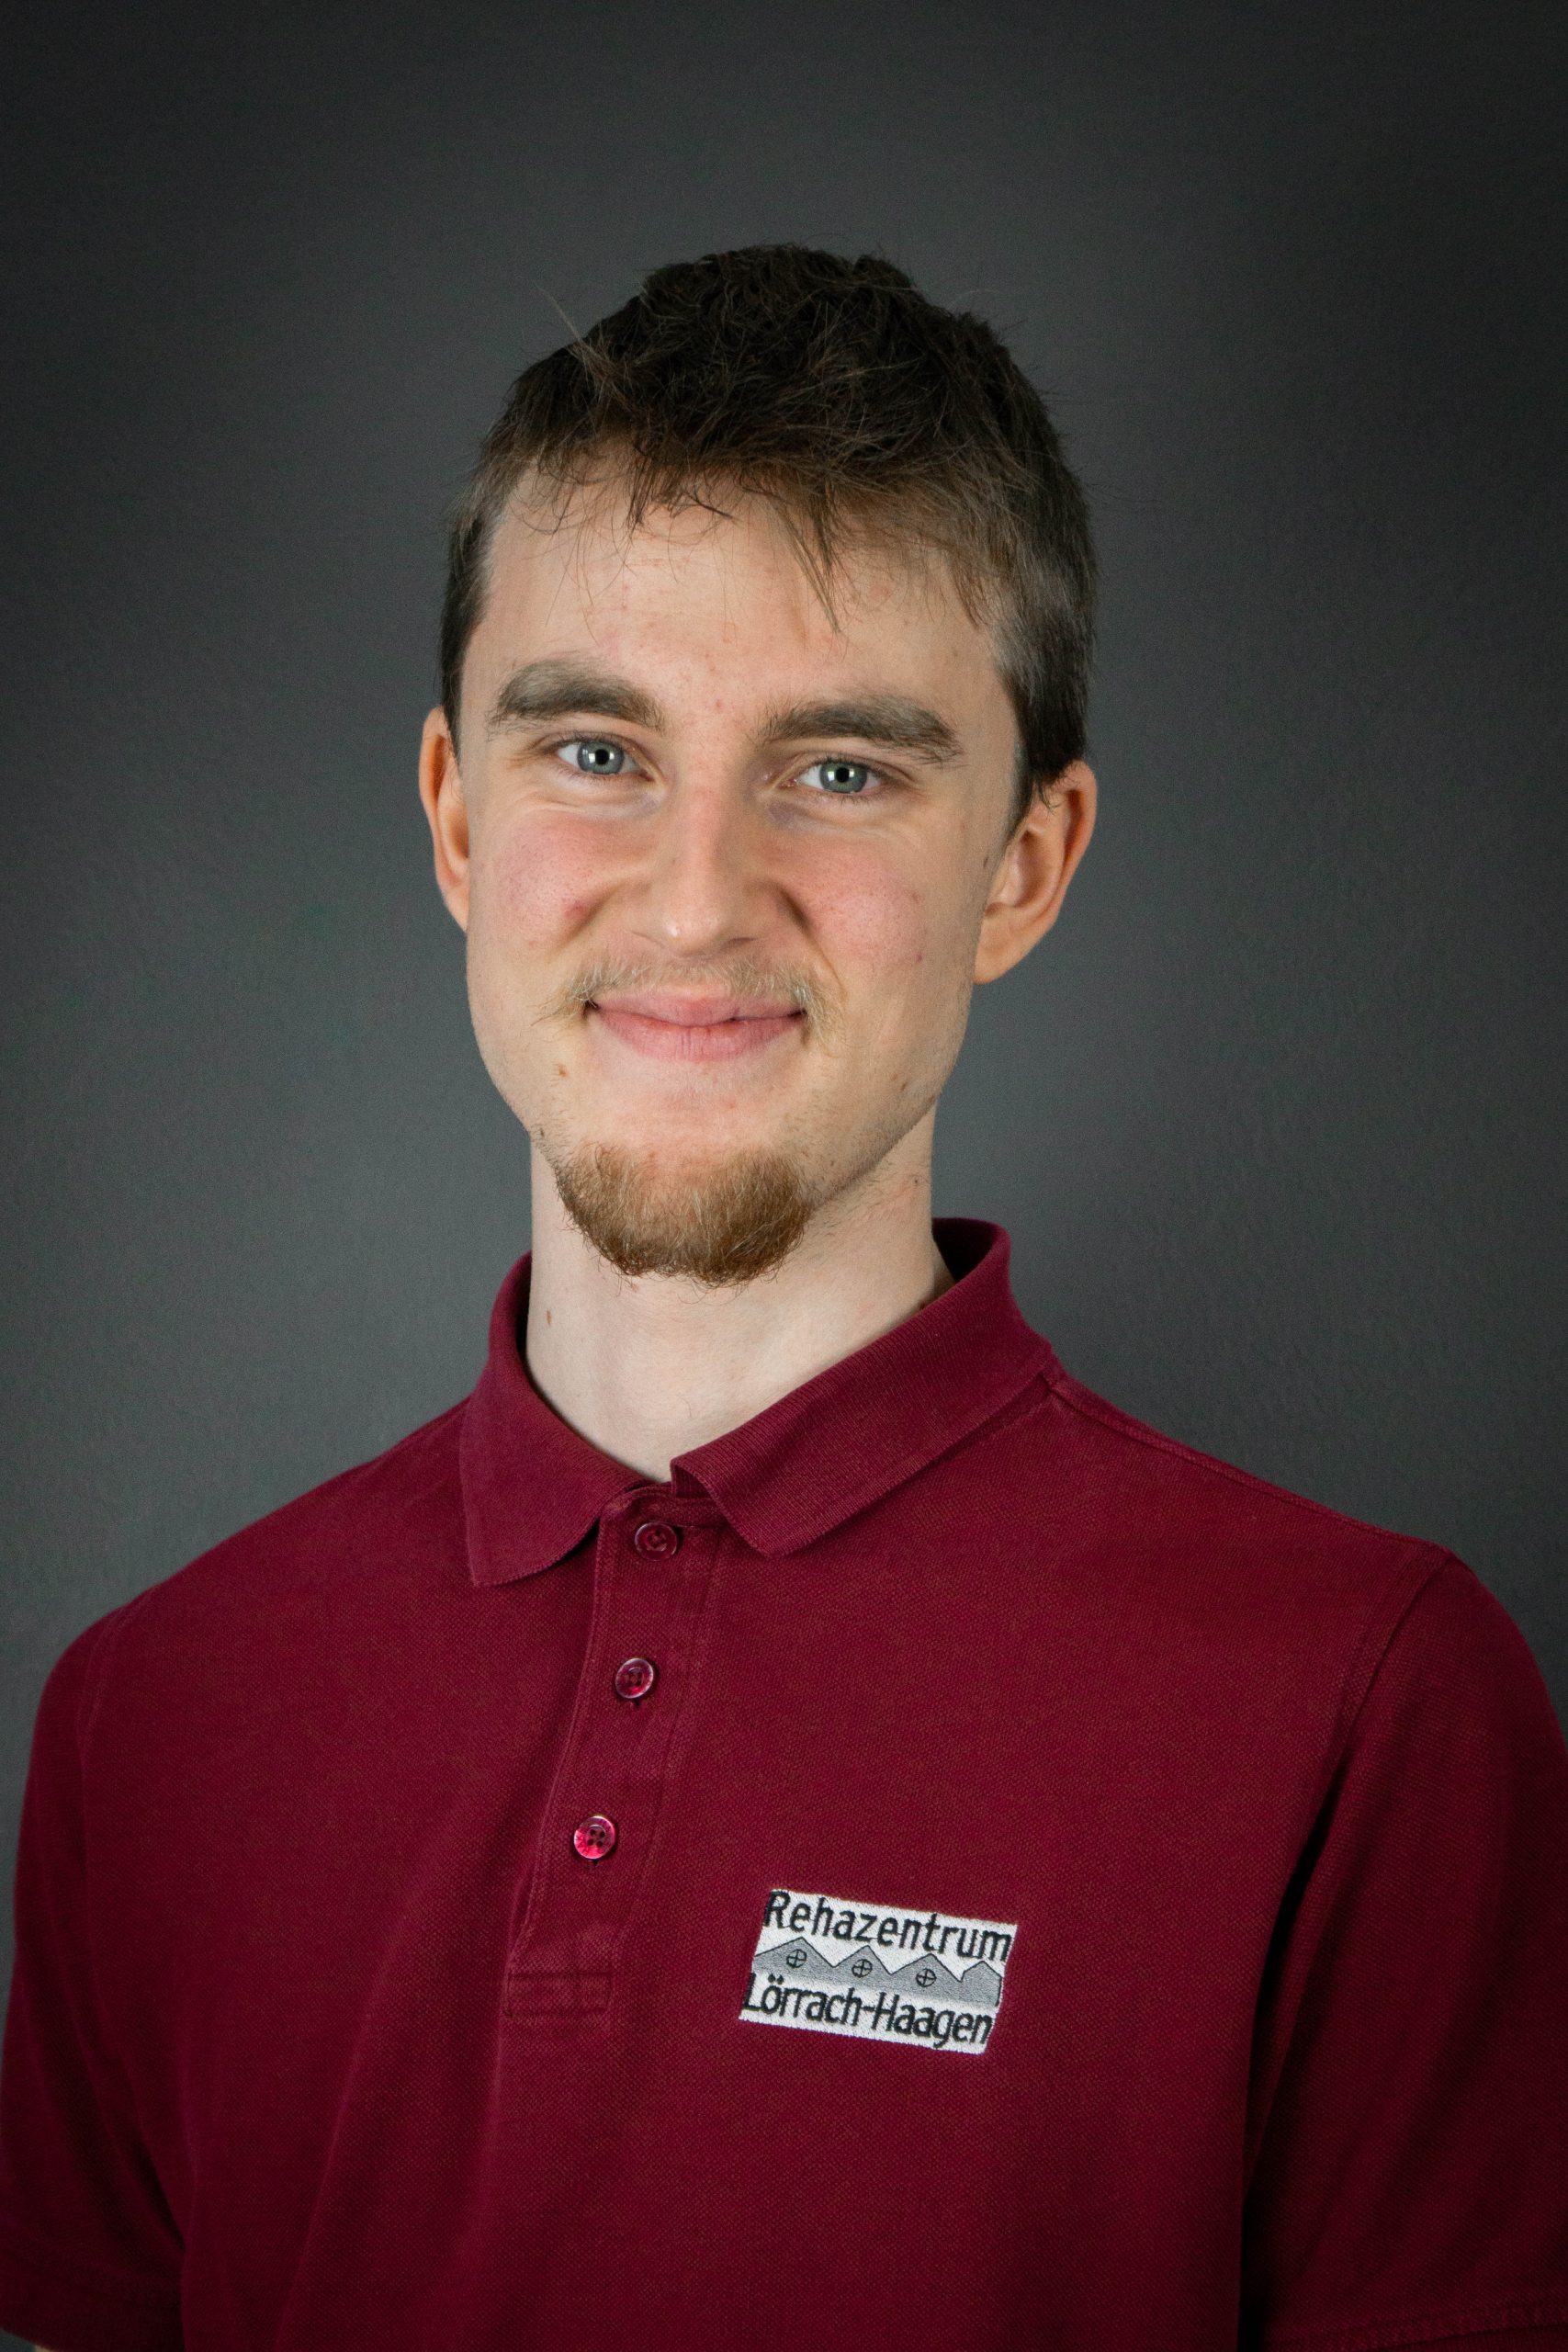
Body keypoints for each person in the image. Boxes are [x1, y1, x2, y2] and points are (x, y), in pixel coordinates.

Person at [2, 243, 1564, 2352]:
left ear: (1021, 862)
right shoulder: (153, 1719)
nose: (693, 899)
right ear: (455, 816)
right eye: (593, 749)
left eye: (838, 771)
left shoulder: (1366, 1712)